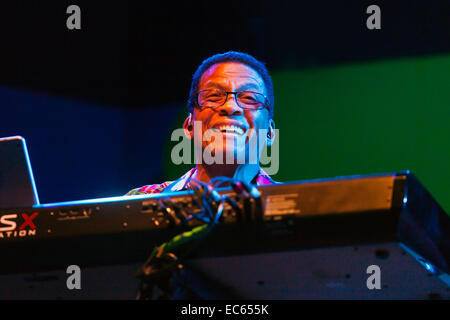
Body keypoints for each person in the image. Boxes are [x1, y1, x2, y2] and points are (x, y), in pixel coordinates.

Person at [126, 50, 277, 195]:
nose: (230, 106)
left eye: (249, 98)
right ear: (189, 126)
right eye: (213, 96)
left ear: (269, 133)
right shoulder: (137, 203)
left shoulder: (298, 208)